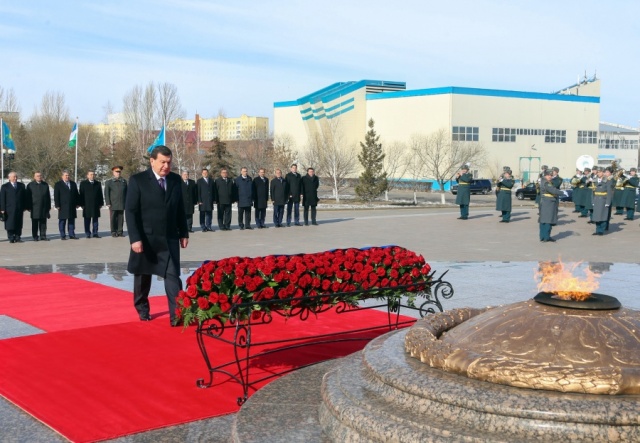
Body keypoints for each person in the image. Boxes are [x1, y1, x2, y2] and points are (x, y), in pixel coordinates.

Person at [125, 145, 188, 326]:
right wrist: (135, 238)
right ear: (152, 161)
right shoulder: (138, 180)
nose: (166, 166)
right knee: (143, 277)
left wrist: (183, 232)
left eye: (169, 162)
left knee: (173, 277)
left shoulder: (175, 180)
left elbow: (180, 209)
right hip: (146, 239)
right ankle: (142, 309)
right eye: (162, 162)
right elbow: (131, 211)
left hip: (169, 238)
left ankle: (176, 315)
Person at [538, 169, 566, 242]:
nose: (550, 176)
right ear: (545, 175)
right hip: (548, 202)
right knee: (547, 220)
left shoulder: (545, 181)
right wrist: (562, 192)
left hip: (546, 202)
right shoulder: (546, 183)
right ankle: (546, 237)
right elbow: (552, 190)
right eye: (548, 175)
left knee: (544, 219)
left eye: (551, 175)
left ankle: (543, 237)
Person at [0, 171, 27, 243]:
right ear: (9, 178)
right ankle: (11, 237)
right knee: (10, 223)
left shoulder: (21, 186)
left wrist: (24, 206)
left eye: (16, 177)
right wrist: (2, 209)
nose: (15, 178)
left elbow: (24, 197)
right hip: (9, 209)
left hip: (19, 208)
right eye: (14, 177)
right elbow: (2, 199)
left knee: (18, 223)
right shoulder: (5, 186)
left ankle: (18, 237)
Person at [54, 170, 80, 240]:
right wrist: (57, 205)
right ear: (62, 176)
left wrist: (78, 203)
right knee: (62, 221)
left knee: (71, 221)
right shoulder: (58, 184)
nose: (67, 177)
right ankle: (63, 235)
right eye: (66, 175)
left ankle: (71, 234)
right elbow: (56, 196)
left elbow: (76, 194)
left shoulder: (73, 184)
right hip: (63, 206)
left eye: (68, 175)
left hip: (72, 205)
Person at [26, 171, 51, 241]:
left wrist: (48, 207)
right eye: (37, 176)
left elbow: (48, 197)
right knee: (35, 223)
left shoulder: (45, 185)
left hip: (44, 207)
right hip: (34, 208)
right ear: (34, 177)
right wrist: (28, 207)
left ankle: (43, 235)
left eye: (40, 176)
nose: (39, 177)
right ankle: (35, 236)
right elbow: (27, 197)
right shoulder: (30, 185)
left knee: (43, 223)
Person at [79, 170, 104, 238]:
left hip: (96, 205)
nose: (92, 176)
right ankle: (87, 233)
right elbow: (81, 194)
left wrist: (101, 203)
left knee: (95, 220)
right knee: (87, 220)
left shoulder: (98, 183)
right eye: (90, 174)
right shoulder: (83, 183)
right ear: (87, 176)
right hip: (86, 205)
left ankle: (95, 233)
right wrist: (81, 204)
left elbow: (100, 194)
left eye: (93, 174)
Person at [104, 166, 127, 237]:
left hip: (121, 202)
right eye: (116, 172)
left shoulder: (124, 181)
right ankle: (113, 231)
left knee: (121, 218)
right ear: (113, 172)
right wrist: (108, 202)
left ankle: (120, 231)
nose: (118, 173)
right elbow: (106, 193)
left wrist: (127, 202)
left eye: (119, 172)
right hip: (113, 203)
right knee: (113, 218)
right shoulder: (109, 182)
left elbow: (127, 192)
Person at [591, 167, 612, 236]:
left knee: (603, 215)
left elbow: (609, 192)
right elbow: (593, 191)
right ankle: (597, 230)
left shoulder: (607, 181)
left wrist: (608, 202)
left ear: (603, 173)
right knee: (597, 216)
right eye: (597, 172)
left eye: (600, 172)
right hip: (596, 199)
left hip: (603, 200)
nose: (598, 173)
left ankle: (601, 230)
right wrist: (593, 200)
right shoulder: (595, 180)